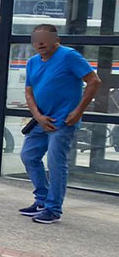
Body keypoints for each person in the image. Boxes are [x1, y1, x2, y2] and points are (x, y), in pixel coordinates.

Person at [18, 24, 101, 224]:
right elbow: (29, 91)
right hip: (41, 120)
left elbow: (94, 81)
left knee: (56, 163)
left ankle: (53, 209)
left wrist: (78, 111)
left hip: (63, 121)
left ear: (57, 40)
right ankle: (42, 200)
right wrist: (37, 116)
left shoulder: (69, 56)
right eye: (36, 38)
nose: (40, 42)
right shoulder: (32, 62)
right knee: (29, 156)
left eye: (45, 38)